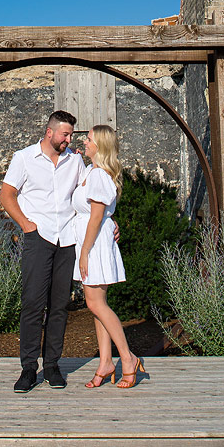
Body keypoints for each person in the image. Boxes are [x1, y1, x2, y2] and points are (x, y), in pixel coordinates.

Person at [1, 110, 85, 394]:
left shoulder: (75, 160)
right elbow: (7, 194)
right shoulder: (24, 158)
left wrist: (109, 220)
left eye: (71, 134)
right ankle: (28, 368)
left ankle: (52, 365)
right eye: (65, 134)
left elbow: (88, 194)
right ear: (50, 132)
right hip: (39, 237)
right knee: (33, 304)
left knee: (60, 306)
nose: (69, 139)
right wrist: (26, 225)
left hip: (68, 239)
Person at [74, 124, 145, 389]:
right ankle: (105, 361)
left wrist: (84, 251)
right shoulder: (92, 172)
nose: (85, 142)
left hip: (93, 244)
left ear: (100, 145)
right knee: (96, 304)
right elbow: (100, 215)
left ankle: (127, 358)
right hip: (91, 240)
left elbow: (95, 216)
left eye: (89, 139)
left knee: (96, 305)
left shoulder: (98, 175)